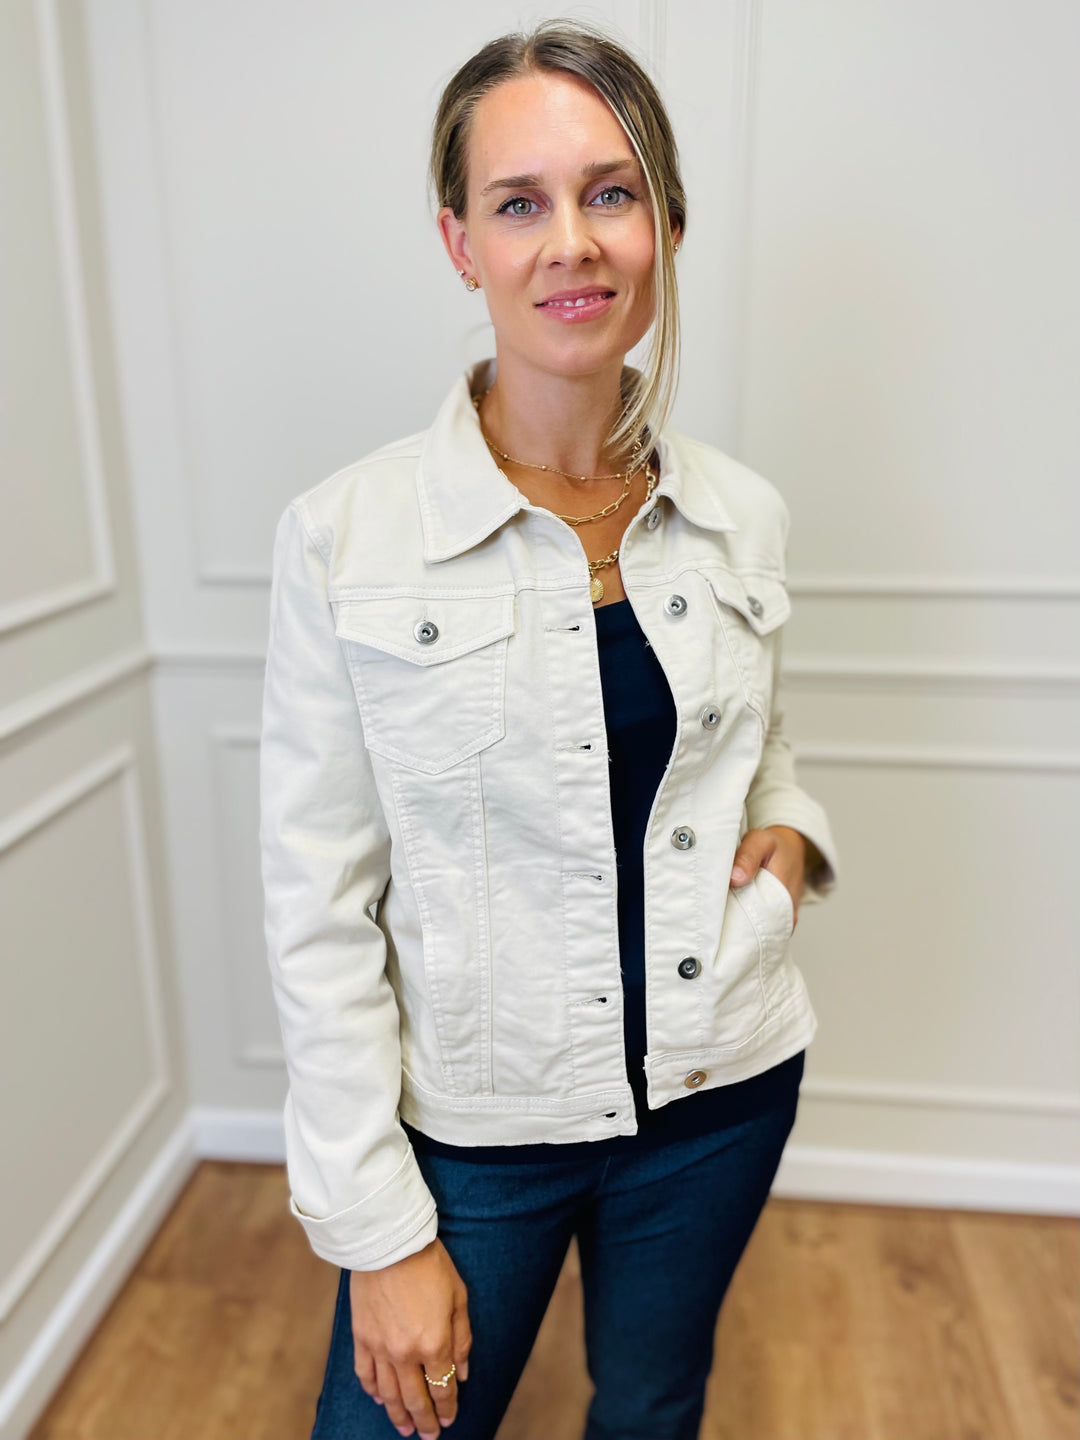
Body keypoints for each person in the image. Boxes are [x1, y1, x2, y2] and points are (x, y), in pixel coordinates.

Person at [259, 19, 838, 1440]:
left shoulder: (742, 513)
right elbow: (317, 909)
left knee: (652, 1400)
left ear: (667, 228)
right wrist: (379, 1233)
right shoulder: (346, 539)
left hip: (720, 1089)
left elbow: (757, 742)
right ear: (460, 243)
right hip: (479, 1137)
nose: (571, 242)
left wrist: (792, 837)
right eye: (520, 203)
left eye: (611, 193)